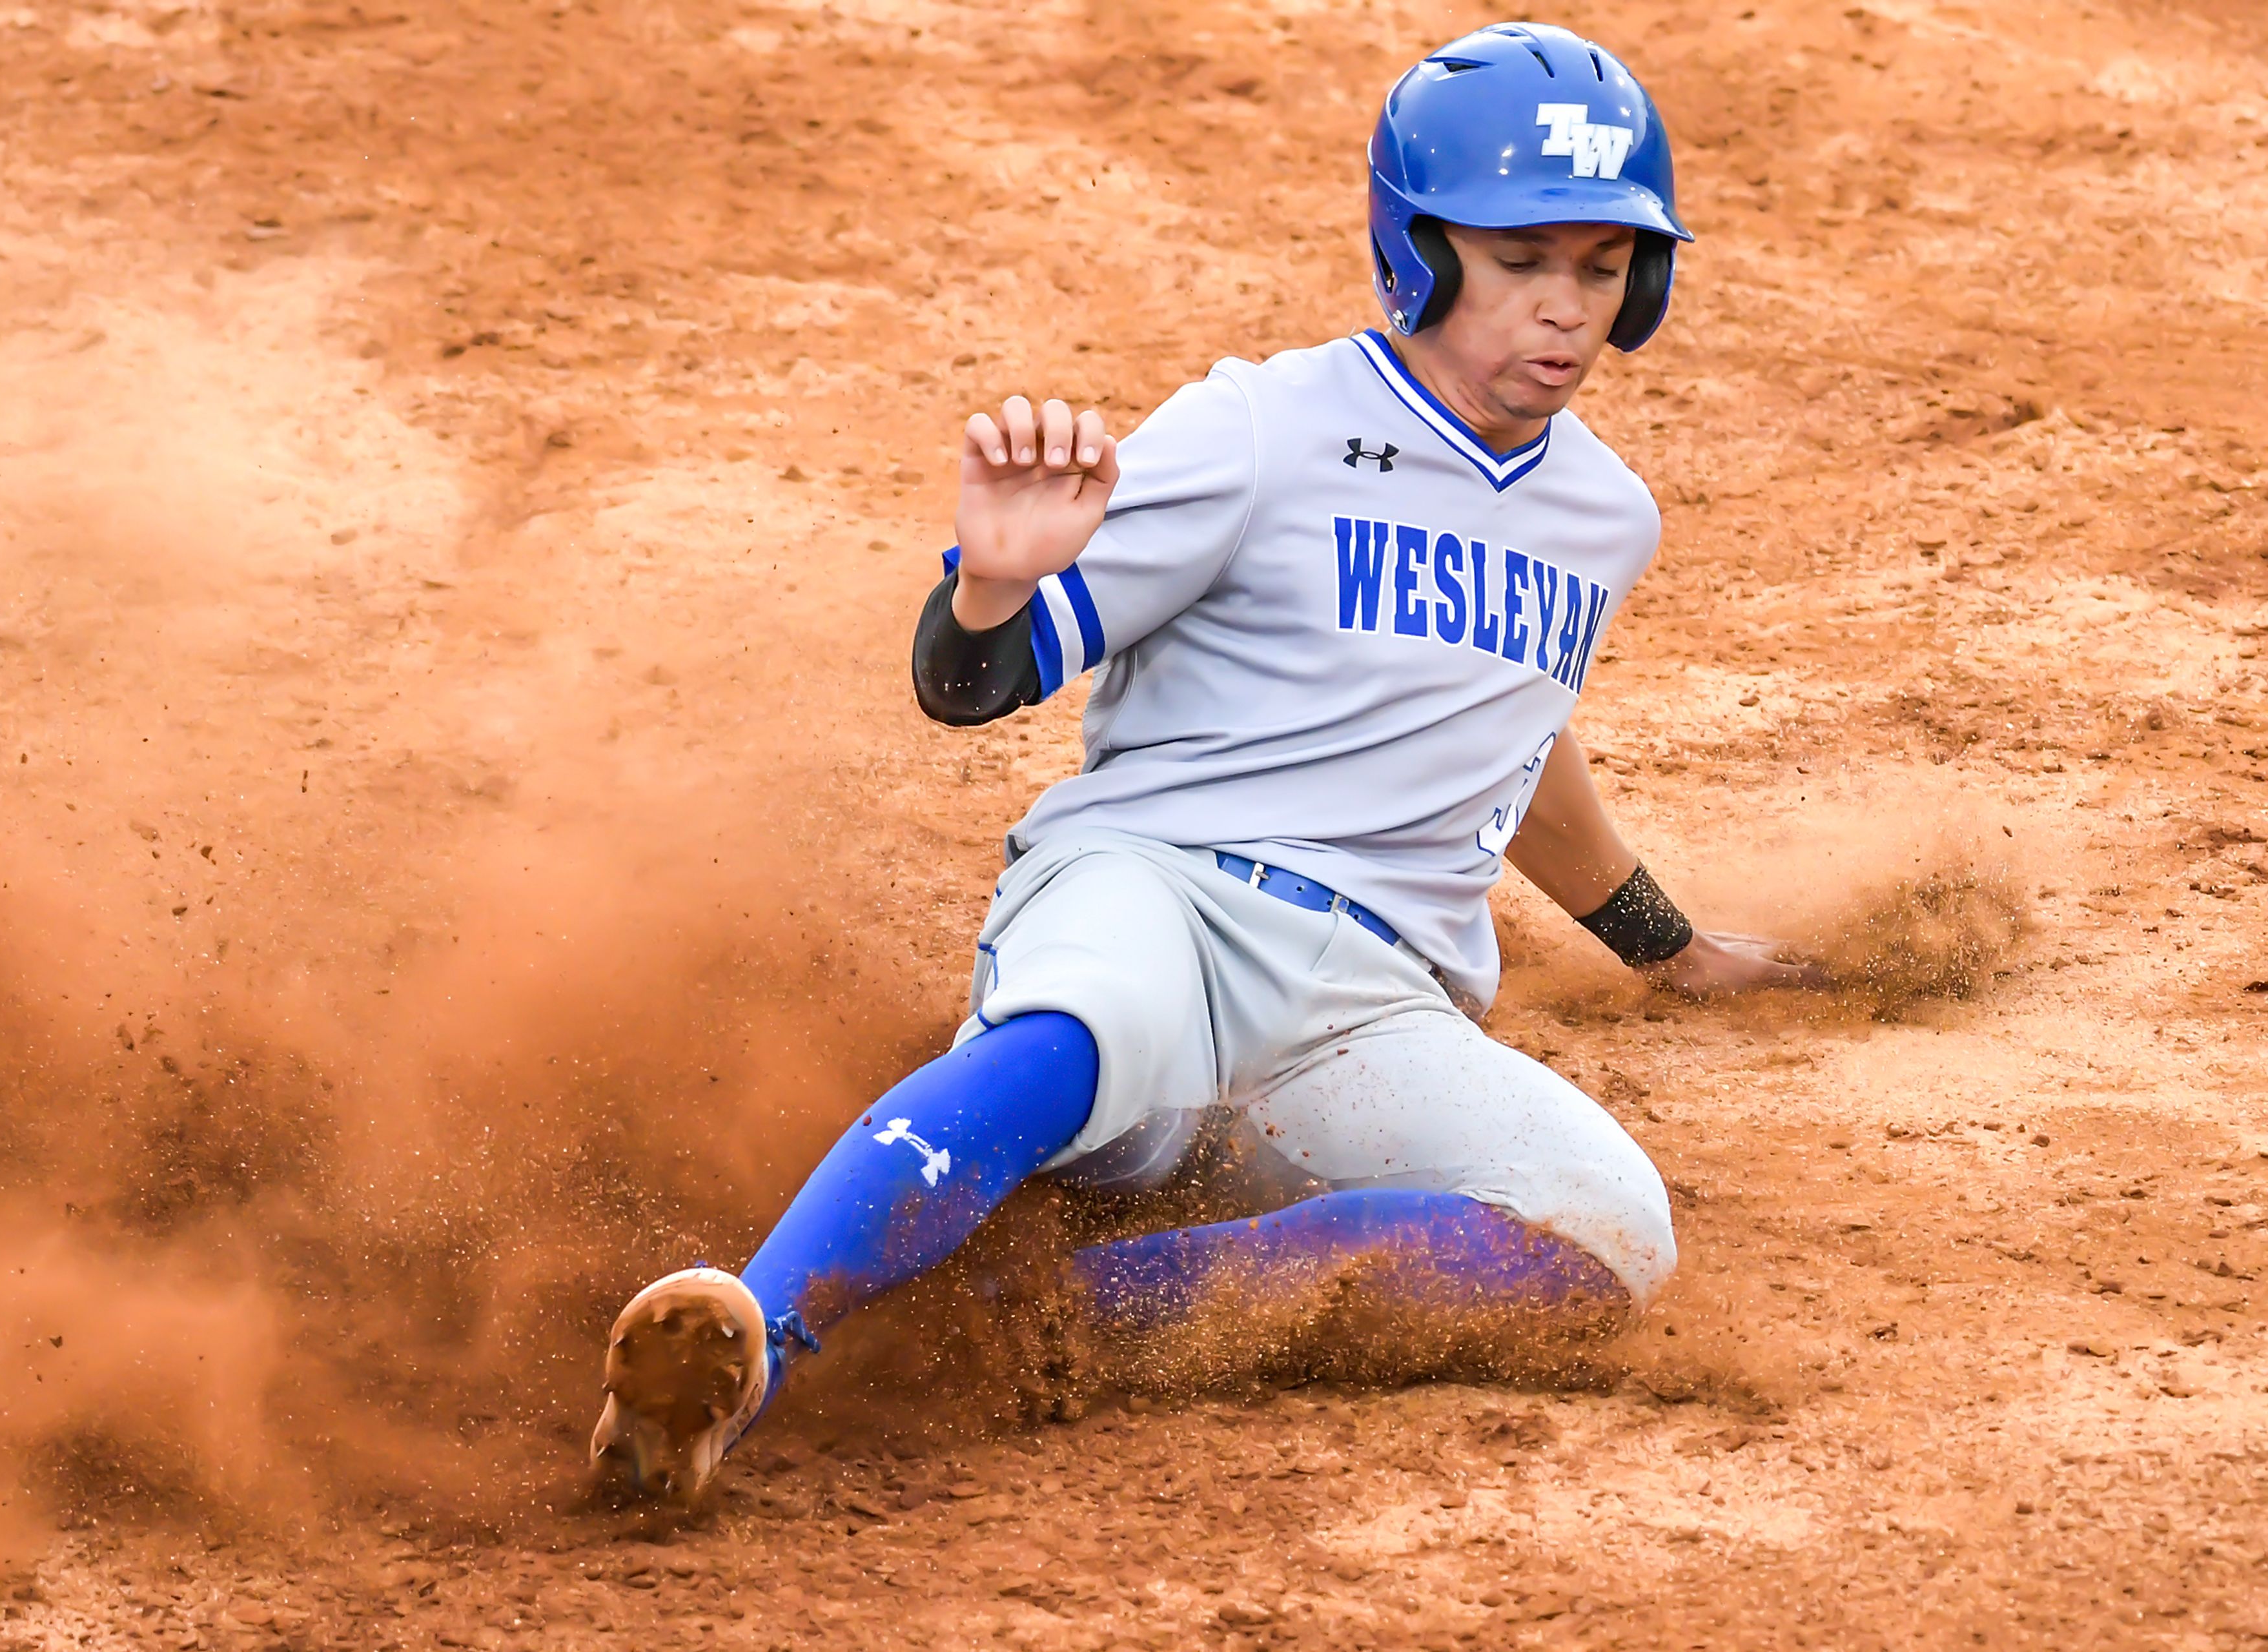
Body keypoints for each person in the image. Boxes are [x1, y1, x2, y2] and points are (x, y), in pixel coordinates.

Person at [590, 21, 1817, 1504]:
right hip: (1157, 887)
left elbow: (1511, 740)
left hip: (1370, 1010)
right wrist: (991, 589)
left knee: (1611, 1226)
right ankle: (755, 1345)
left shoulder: (1605, 518)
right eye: (1521, 260)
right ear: (1420, 250)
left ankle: (1039, 1328)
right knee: (1079, 1033)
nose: (1564, 311)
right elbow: (973, 685)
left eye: (1603, 267)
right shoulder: (1261, 428)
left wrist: (1666, 946)